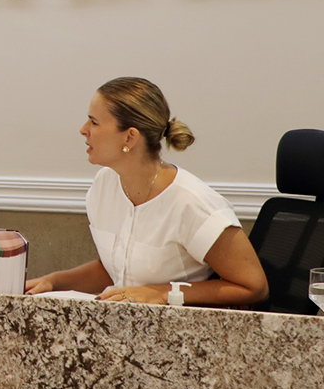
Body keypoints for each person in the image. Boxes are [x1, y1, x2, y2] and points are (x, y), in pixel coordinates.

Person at [25, 77, 269, 306]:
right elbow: (113, 271)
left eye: (94, 122)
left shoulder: (191, 202)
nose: (83, 129)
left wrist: (161, 293)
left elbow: (254, 287)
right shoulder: (104, 184)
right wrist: (55, 281)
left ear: (130, 137)